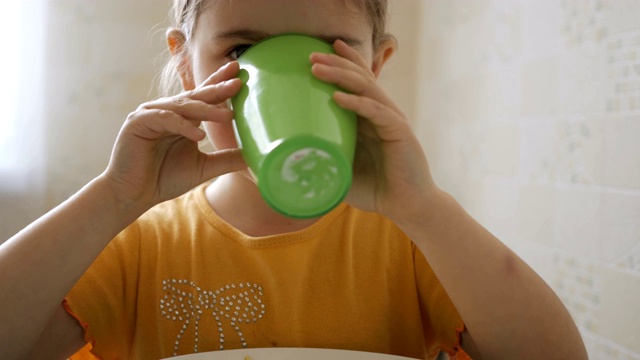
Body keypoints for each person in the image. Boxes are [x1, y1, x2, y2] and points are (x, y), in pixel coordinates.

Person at [0, 0, 588, 359]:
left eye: (321, 51)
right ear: (187, 65)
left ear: (374, 68)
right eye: (244, 48)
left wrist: (426, 209)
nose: (287, 75)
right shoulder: (137, 242)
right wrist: (111, 198)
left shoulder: (414, 237)